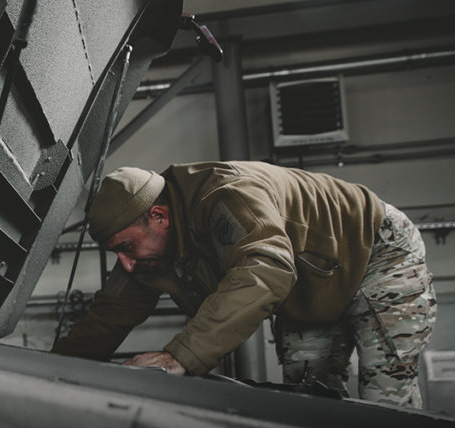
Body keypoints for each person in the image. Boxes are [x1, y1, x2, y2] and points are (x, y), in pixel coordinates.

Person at [51, 161, 435, 408]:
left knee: (385, 398)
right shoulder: (146, 252)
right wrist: (52, 372)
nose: (126, 264)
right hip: (310, 288)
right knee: (311, 403)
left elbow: (267, 268)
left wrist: (178, 357)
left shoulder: (225, 197)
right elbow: (111, 314)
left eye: (126, 248)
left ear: (158, 216)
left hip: (375, 250)